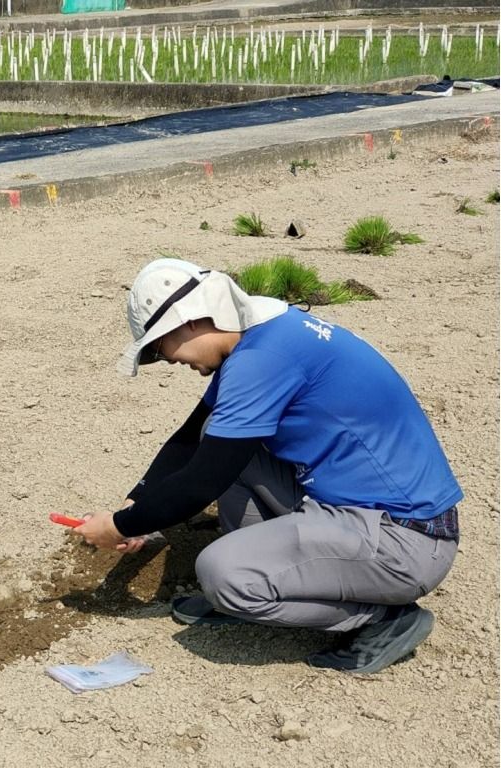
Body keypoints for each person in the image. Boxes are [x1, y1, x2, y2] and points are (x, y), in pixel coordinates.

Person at [73, 258, 461, 674]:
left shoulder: (262, 359)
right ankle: (271, 576)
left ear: (188, 320)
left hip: (405, 540)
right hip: (366, 511)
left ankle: (383, 619)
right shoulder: (265, 333)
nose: (166, 360)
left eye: (158, 346)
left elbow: (202, 482)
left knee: (221, 573)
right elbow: (190, 438)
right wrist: (137, 502)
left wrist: (120, 526)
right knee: (218, 436)